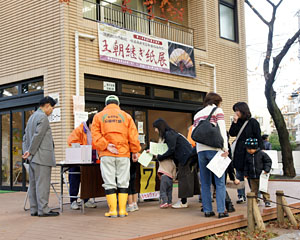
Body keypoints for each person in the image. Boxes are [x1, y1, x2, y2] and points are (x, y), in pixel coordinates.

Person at [91, 95, 141, 218]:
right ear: (118, 104)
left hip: (106, 153)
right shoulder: (126, 116)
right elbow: (133, 136)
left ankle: (113, 210)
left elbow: (95, 135)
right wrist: (135, 151)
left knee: (109, 182)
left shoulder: (98, 116)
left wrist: (106, 145)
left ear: (106, 104)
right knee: (124, 182)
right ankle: (123, 210)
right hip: (123, 153)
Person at [22, 96, 59, 217]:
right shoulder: (43, 117)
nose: (52, 111)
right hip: (41, 156)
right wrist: (31, 151)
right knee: (42, 184)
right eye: (52, 108)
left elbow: (25, 138)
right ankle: (43, 209)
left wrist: (27, 152)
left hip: (32, 158)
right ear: (47, 105)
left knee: (33, 184)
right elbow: (38, 136)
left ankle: (34, 209)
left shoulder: (32, 117)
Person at [193, 92, 229, 218]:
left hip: (201, 150)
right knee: (219, 182)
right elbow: (222, 130)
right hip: (214, 149)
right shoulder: (217, 111)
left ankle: (207, 210)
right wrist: (226, 148)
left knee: (205, 182)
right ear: (217, 101)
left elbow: (195, 132)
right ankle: (221, 210)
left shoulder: (197, 114)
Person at [153, 118, 200, 209]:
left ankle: (183, 202)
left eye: (155, 128)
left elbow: (171, 150)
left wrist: (160, 157)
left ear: (160, 127)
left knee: (183, 180)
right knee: (185, 179)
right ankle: (183, 200)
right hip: (187, 156)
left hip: (185, 158)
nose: (155, 130)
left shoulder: (168, 134)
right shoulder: (172, 133)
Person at [229, 102, 263, 204]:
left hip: (250, 151)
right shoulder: (237, 121)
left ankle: (256, 195)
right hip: (239, 151)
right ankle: (241, 196)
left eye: (237, 110)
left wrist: (260, 151)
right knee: (239, 174)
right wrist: (234, 122)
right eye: (235, 111)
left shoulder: (253, 122)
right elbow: (232, 133)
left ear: (243, 110)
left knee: (252, 174)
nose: (236, 113)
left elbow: (258, 137)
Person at [67, 114, 97, 210]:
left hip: (90, 160)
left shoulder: (97, 131)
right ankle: (73, 201)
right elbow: (71, 141)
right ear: (89, 123)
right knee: (74, 179)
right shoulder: (80, 129)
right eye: (94, 125)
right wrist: (82, 148)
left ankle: (86, 200)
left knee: (88, 179)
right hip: (77, 159)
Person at [244, 138, 272, 207]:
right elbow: (246, 165)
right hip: (252, 176)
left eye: (251, 149)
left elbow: (268, 161)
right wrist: (246, 173)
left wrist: (266, 169)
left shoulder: (262, 154)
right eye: (248, 149)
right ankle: (254, 201)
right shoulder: (247, 156)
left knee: (263, 189)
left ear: (255, 148)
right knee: (253, 190)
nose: (249, 151)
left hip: (261, 175)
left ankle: (267, 200)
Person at [157, 137, 176, 209]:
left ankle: (164, 202)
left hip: (164, 176)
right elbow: (174, 170)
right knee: (169, 191)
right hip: (170, 178)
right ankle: (170, 202)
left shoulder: (162, 160)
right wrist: (173, 178)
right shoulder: (172, 162)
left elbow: (157, 156)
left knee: (163, 191)